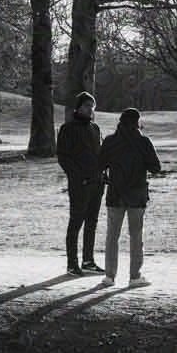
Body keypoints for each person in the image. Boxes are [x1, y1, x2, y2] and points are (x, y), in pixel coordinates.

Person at [98, 108, 161, 288]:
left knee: (112, 236)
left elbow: (100, 164)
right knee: (135, 236)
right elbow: (156, 167)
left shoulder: (110, 141)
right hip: (137, 194)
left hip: (115, 194)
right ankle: (134, 276)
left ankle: (109, 275)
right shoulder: (143, 142)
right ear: (137, 122)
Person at [56, 91, 104, 276]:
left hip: (97, 183)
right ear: (78, 107)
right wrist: (78, 177)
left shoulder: (95, 128)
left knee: (92, 222)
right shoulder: (68, 129)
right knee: (76, 222)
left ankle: (88, 260)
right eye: (86, 106)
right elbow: (64, 158)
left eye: (92, 106)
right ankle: (71, 263)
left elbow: (99, 153)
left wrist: (103, 174)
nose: (89, 109)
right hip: (79, 184)